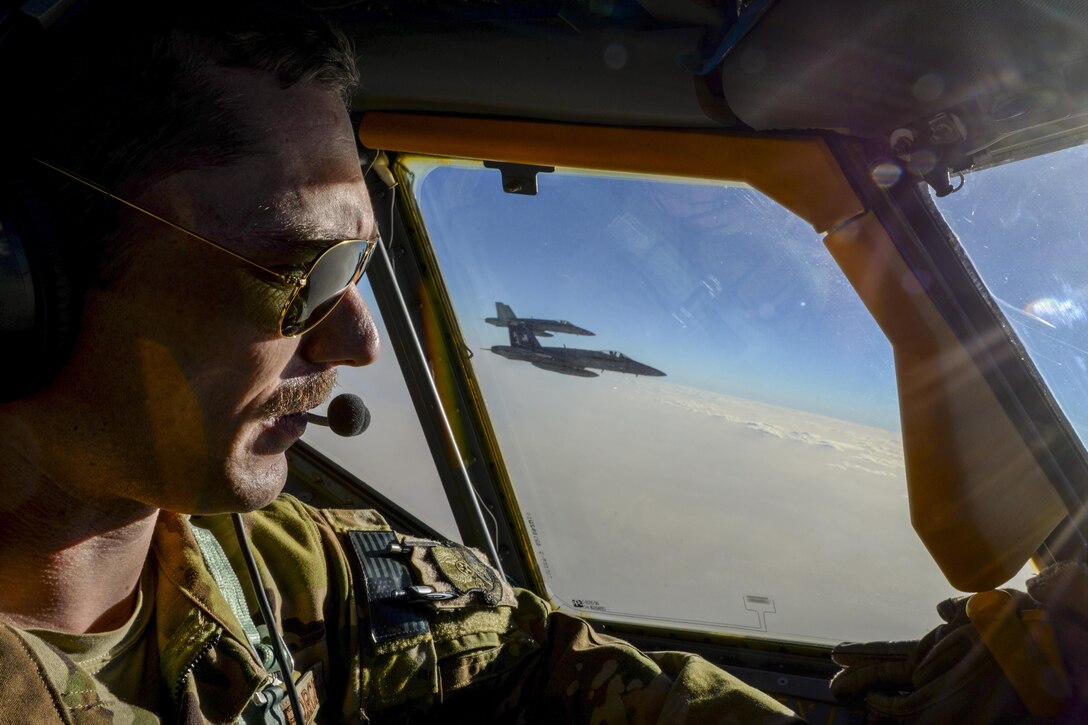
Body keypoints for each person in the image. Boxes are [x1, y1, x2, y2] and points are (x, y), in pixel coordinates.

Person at [0, 1, 803, 722]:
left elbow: (547, 662)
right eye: (300, 271)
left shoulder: (281, 569)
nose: (360, 341)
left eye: (357, 266)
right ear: (23, 282)